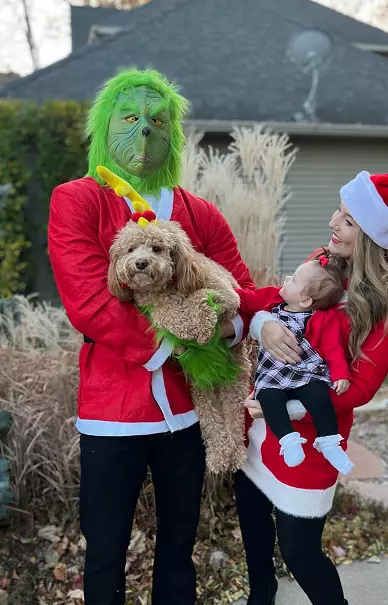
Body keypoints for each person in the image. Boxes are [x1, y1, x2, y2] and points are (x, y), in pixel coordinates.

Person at [47, 69, 253, 605]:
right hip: (112, 412)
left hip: (186, 413)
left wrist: (233, 324)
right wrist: (190, 340)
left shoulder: (196, 212)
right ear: (104, 124)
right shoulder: (78, 199)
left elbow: (242, 290)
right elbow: (90, 303)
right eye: (130, 119)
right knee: (106, 547)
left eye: (158, 122)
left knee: (179, 543)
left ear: (174, 133)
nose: (143, 135)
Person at [229, 171, 388, 605]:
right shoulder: (326, 262)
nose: (333, 222)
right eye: (339, 212)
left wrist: (287, 407)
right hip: (259, 422)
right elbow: (279, 298)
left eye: (348, 220)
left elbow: (362, 386)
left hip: (312, 435)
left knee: (298, 549)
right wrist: (264, 322)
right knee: (253, 523)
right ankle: (261, 597)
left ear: (371, 235)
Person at [235, 256, 354, 474]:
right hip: (273, 373)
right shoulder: (273, 299)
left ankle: (329, 443)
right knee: (268, 397)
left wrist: (340, 375)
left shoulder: (323, 318)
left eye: (294, 280)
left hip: (305, 371)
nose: (287, 279)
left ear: (306, 300)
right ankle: (288, 442)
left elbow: (333, 349)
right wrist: (225, 295)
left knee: (319, 395)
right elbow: (246, 299)